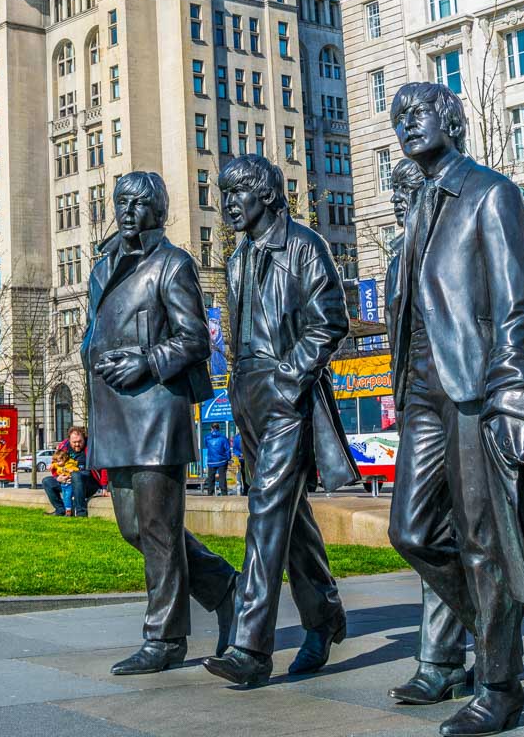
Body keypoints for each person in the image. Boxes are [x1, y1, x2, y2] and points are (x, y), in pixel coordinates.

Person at [387, 83, 524, 736]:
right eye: (398, 117)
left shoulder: (489, 192)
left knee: (482, 540)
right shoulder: (420, 203)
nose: (406, 124)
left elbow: (516, 303)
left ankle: (500, 685)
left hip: (476, 385)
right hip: (421, 391)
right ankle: (490, 636)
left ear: (450, 118)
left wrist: (510, 386)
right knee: (412, 532)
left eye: (417, 112)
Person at [204, 155, 359, 688]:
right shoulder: (239, 257)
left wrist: (288, 377)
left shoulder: (304, 246)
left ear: (267, 195)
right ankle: (325, 615)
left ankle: (250, 647)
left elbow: (329, 319)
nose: (228, 204)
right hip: (246, 394)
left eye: (237, 193)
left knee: (267, 513)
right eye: (223, 194)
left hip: (285, 393)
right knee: (287, 517)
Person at [82, 170, 238, 675]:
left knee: (158, 527)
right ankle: (225, 587)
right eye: (120, 201)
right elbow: (96, 326)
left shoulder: (172, 265)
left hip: (155, 409)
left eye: (137, 203)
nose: (127, 211)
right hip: (113, 411)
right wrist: (90, 351)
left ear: (158, 210)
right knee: (135, 528)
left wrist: (148, 360)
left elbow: (196, 339)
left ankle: (165, 639)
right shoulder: (102, 266)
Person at [384, 157, 470, 707]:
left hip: (465, 393)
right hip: (418, 397)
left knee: (472, 531)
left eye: (408, 193)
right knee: (414, 530)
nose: (399, 206)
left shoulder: (466, 228)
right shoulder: (399, 256)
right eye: (395, 197)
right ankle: (483, 620)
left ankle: (440, 661)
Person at [42, 427, 100, 517]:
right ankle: (60, 510)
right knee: (47, 481)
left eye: (80, 441)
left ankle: (81, 512)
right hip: (68, 482)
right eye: (74, 442)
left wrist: (104, 486)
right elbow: (56, 463)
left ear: (84, 438)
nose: (77, 444)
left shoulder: (92, 445)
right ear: (69, 440)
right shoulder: (63, 446)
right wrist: (58, 477)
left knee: (76, 475)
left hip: (88, 483)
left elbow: (103, 467)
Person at [204, 423, 230, 496]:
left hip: (211, 461)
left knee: (211, 479)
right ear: (219, 428)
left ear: (211, 428)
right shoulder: (223, 437)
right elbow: (227, 450)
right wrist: (228, 458)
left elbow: (207, 446)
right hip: (222, 461)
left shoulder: (207, 437)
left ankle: (210, 494)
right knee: (222, 478)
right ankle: (224, 494)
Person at [232, 431, 249, 496]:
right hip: (246, 459)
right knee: (245, 475)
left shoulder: (236, 437)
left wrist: (239, 454)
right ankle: (246, 490)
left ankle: (245, 490)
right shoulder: (248, 435)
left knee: (243, 475)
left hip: (241, 459)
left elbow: (235, 449)